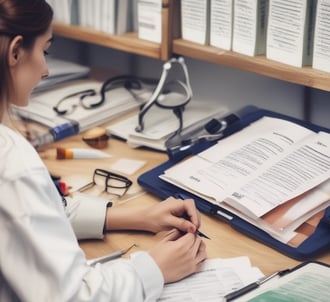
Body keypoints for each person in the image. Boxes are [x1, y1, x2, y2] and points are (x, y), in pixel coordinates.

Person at [0, 0, 207, 301]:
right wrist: (153, 268)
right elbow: (75, 296)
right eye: (44, 51)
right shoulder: (13, 165)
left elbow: (26, 216)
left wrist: (140, 217)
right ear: (16, 52)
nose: (45, 69)